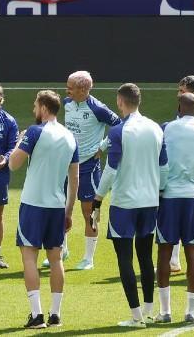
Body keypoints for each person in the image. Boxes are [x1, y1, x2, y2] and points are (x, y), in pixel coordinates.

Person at [91, 83, 163, 327]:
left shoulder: (119, 131)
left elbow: (111, 169)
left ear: (120, 102)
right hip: (150, 201)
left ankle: (136, 317)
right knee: (145, 256)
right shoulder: (156, 128)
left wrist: (98, 198)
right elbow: (163, 167)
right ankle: (150, 310)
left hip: (124, 203)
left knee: (125, 258)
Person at [11, 89, 79, 330]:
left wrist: (19, 141)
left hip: (33, 203)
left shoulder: (35, 131)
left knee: (29, 257)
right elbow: (75, 178)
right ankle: (56, 314)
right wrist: (69, 210)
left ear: (43, 107)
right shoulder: (70, 137)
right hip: (56, 206)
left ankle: (37, 314)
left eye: (35, 106)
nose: (33, 110)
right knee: (56, 258)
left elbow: (13, 163)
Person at [152, 92, 194, 324]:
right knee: (193, 252)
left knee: (164, 251)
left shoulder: (166, 129)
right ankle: (190, 311)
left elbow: (159, 159)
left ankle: (165, 311)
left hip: (169, 196)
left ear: (179, 106)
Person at [61, 71, 121, 271]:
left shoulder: (98, 109)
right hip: (65, 163)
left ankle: (88, 257)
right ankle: (62, 249)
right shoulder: (67, 103)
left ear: (83, 89)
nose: (66, 89)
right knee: (60, 205)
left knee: (89, 210)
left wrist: (102, 147)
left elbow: (119, 126)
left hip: (88, 165)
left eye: (70, 86)